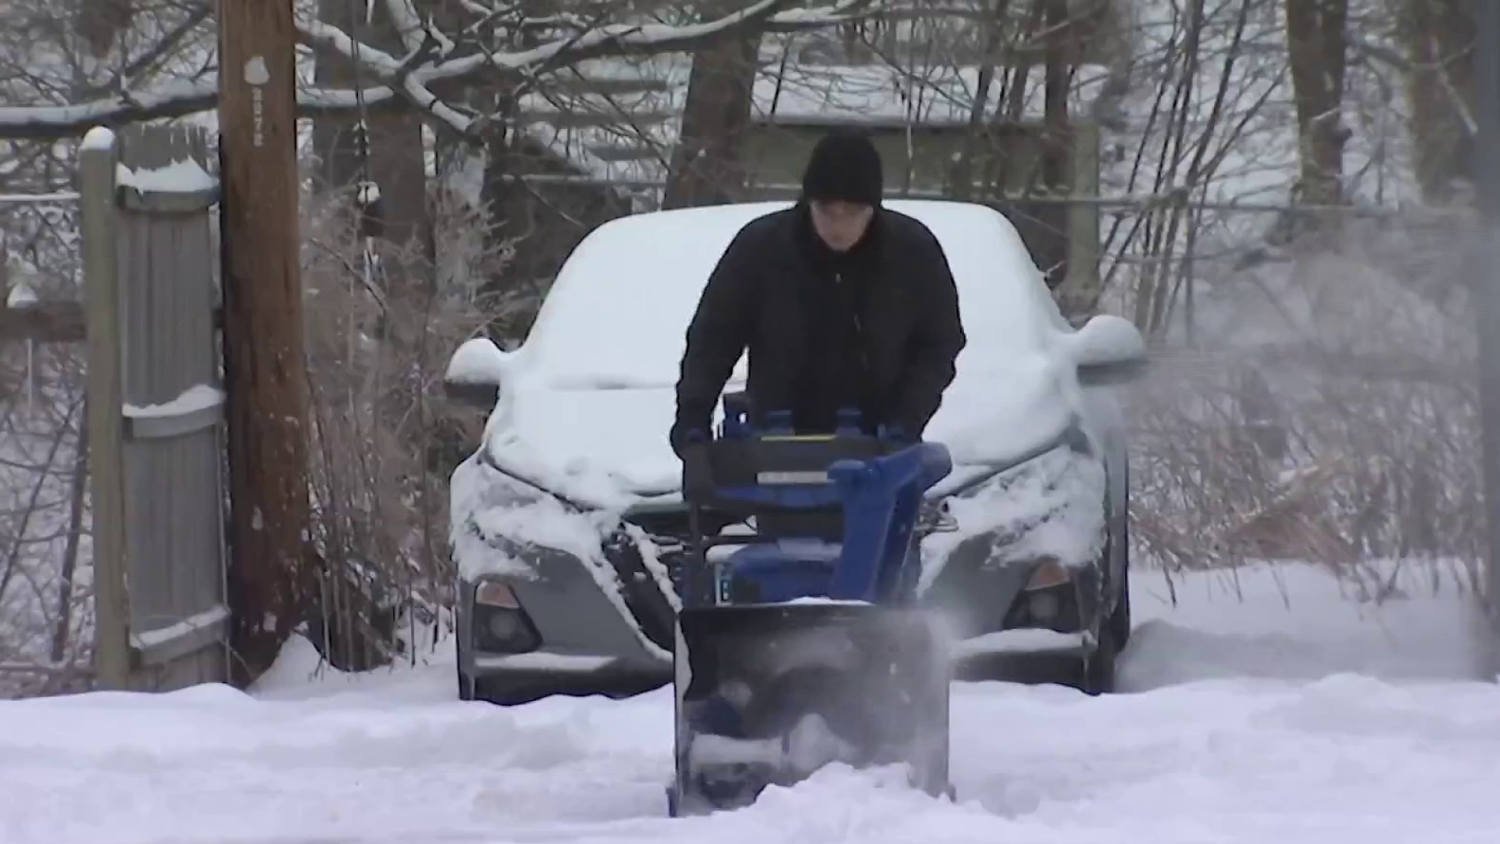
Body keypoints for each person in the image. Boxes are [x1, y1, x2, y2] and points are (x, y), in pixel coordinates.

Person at [669, 129, 967, 462]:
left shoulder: (912, 253)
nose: (838, 226)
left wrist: (906, 419)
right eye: (827, 210)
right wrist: (693, 420)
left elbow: (939, 342)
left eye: (852, 212)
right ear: (809, 202)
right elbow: (713, 339)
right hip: (777, 442)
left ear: (873, 208)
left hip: (878, 445)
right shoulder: (761, 249)